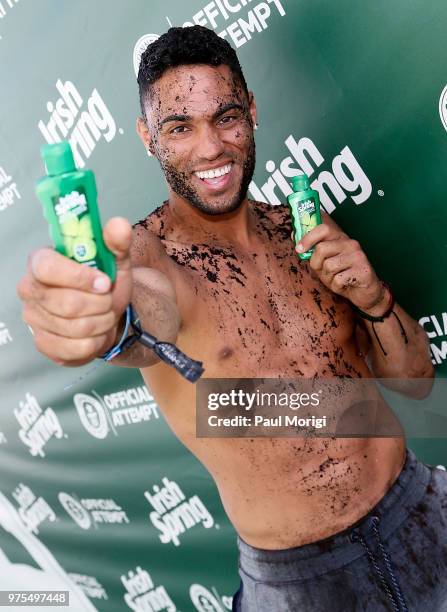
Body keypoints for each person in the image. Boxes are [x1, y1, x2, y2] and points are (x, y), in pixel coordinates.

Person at [17, 25, 446, 612]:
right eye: (179, 127)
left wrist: (374, 300)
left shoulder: (303, 230)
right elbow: (128, 316)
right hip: (302, 583)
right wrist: (89, 323)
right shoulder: (150, 259)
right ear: (148, 137)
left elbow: (415, 384)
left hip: (420, 508)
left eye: (225, 117)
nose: (211, 147)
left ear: (252, 111)